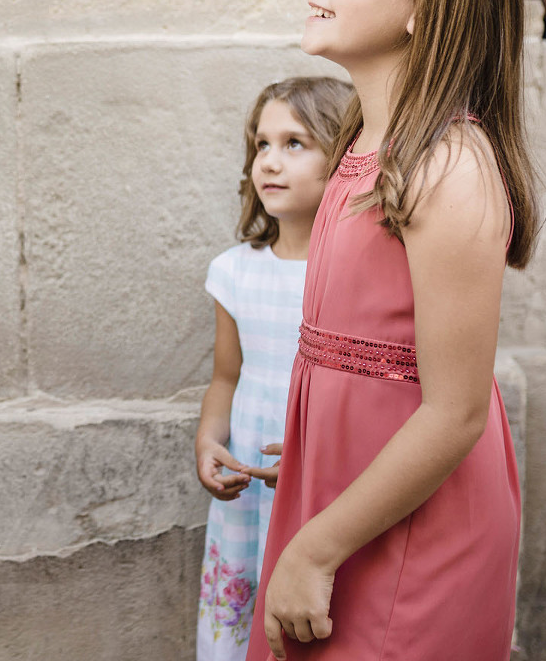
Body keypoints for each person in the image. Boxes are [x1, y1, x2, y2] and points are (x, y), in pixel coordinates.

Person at [247, 0, 537, 661]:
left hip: (414, 533)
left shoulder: (449, 170)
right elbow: (363, 350)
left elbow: (453, 412)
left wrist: (313, 550)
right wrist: (319, 447)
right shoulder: (359, 145)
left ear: (426, 5)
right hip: (348, 497)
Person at [195, 77, 351, 661]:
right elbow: (226, 378)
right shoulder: (234, 271)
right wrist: (209, 441)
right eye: (262, 145)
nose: (270, 162)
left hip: (327, 484)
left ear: (342, 157)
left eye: (295, 144)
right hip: (249, 489)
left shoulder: (356, 275)